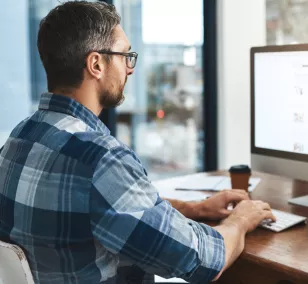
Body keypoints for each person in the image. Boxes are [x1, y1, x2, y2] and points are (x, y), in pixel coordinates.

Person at [0, 1, 275, 283]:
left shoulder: (19, 138)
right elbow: (199, 261)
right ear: (96, 64)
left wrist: (197, 209)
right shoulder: (100, 158)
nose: (129, 69)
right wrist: (240, 220)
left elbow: (108, 206)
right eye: (124, 56)